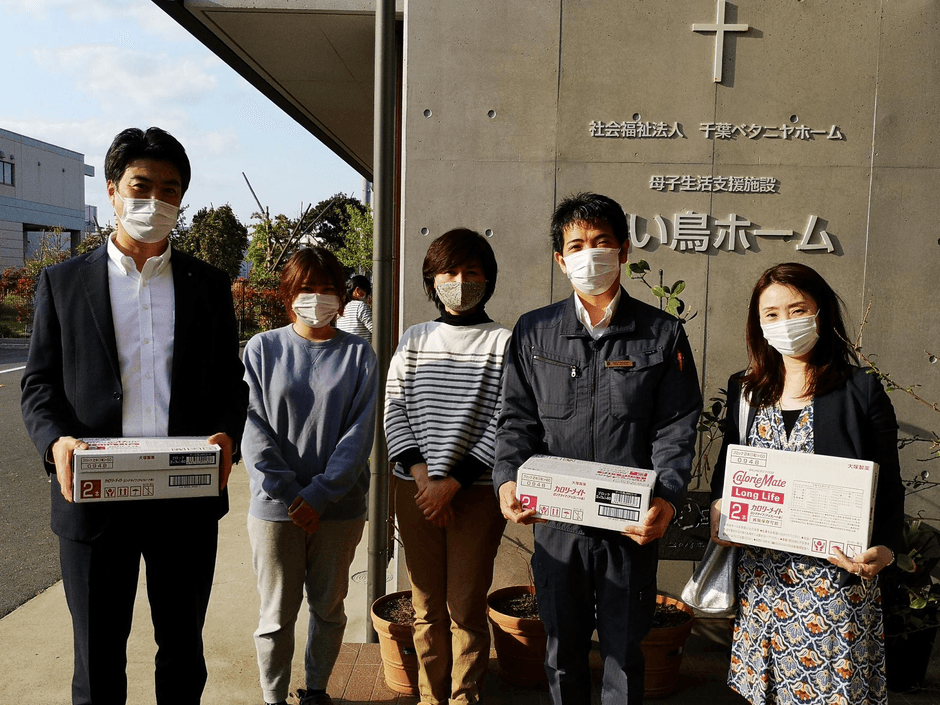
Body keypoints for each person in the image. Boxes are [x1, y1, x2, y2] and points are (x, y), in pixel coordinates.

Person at [20, 126, 249, 705]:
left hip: (185, 497)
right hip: (95, 499)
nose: (155, 202)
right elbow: (39, 385)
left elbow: (231, 384)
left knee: (182, 654)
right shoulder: (64, 283)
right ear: (115, 191)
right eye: (141, 186)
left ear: (181, 201)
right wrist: (57, 444)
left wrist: (228, 434)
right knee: (96, 660)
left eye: (170, 190)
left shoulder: (209, 286)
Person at [493, 192, 703, 704]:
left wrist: (668, 498)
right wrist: (507, 481)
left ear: (624, 251)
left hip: (628, 527)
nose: (591, 254)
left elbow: (676, 427)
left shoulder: (662, 332)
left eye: (602, 242)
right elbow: (516, 421)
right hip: (557, 527)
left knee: (624, 655)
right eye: (577, 245)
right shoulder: (534, 331)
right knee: (561, 651)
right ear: (561, 260)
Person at [709, 262, 904, 705]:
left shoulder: (861, 391)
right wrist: (721, 507)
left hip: (834, 584)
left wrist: (887, 548)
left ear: (822, 313)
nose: (785, 323)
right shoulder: (745, 391)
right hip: (763, 585)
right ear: (758, 324)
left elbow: (888, 485)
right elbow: (729, 469)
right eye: (771, 314)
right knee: (766, 692)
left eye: (797, 309)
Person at [242, 247, 377, 705]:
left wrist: (319, 495)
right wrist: (289, 493)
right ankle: (273, 697)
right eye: (305, 289)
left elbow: (359, 436)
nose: (316, 298)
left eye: (326, 290)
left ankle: (316, 690)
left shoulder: (359, 354)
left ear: (342, 297)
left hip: (338, 510)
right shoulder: (263, 348)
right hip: (275, 509)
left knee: (328, 607)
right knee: (276, 613)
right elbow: (252, 428)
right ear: (288, 294)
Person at [384, 228, 510, 705]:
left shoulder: (503, 342)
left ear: (488, 280)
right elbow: (395, 408)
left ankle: (463, 697)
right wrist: (423, 477)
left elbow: (506, 421)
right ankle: (430, 698)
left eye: (471, 272)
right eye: (449, 272)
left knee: (466, 605)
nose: (460, 281)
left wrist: (451, 483)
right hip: (414, 488)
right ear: (431, 280)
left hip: (475, 493)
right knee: (425, 607)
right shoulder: (415, 339)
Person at [335, 274, 373, 343]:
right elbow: (376, 330)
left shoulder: (341, 307)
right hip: (361, 352)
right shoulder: (360, 306)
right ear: (358, 290)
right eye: (366, 293)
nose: (367, 297)